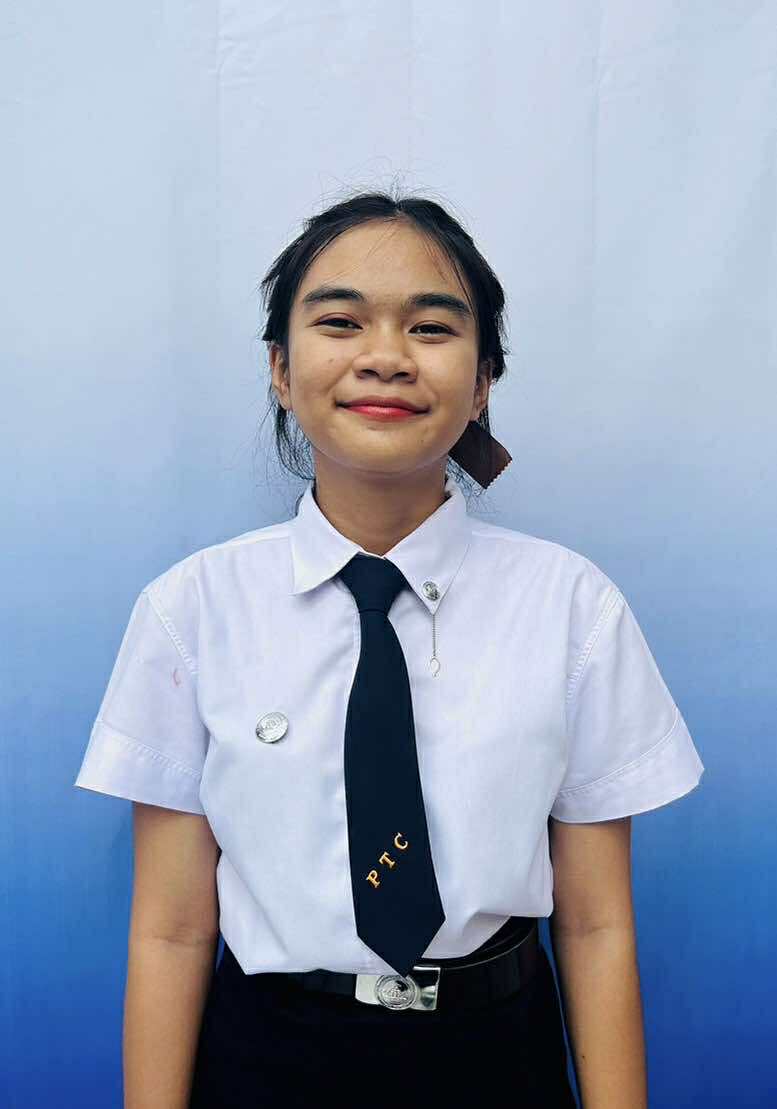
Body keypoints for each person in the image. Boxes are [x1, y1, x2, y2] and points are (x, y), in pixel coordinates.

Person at [73, 190, 705, 1109]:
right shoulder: (192, 610)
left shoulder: (572, 608)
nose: (385, 356)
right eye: (340, 321)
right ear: (280, 368)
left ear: (482, 381)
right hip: (265, 1059)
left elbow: (596, 925)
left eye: (431, 327)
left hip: (497, 1057)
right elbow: (171, 929)